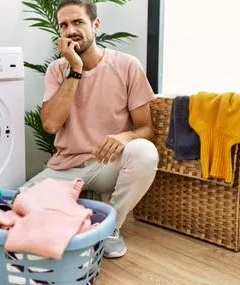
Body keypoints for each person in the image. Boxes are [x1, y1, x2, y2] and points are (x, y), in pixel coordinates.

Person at [21, 0, 159, 258]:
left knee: (145, 153)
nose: (70, 30)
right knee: (19, 204)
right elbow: (51, 125)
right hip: (66, 167)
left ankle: (108, 227)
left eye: (78, 22)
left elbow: (146, 128)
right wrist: (75, 69)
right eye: (64, 25)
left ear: (95, 25)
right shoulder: (56, 70)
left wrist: (124, 136)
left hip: (107, 164)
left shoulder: (127, 65)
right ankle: (83, 209)